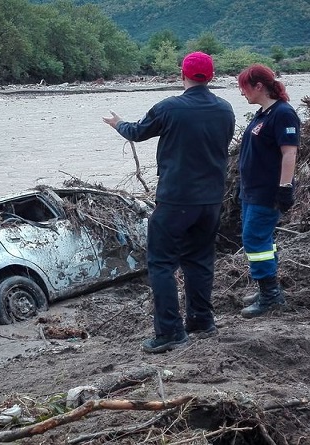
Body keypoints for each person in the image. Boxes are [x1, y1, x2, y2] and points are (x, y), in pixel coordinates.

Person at [102, 52, 236, 353]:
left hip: (176, 199)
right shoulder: (225, 109)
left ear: (182, 75)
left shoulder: (170, 108)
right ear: (211, 77)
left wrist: (117, 123)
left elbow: (137, 132)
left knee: (161, 263)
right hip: (212, 199)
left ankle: (169, 331)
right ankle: (201, 320)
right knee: (199, 260)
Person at [235, 63, 300, 318]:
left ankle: (270, 295)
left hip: (267, 191)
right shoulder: (263, 113)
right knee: (262, 241)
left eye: (244, 87)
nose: (242, 93)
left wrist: (284, 187)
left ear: (259, 86)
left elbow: (289, 152)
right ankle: (268, 288)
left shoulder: (283, 113)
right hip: (251, 190)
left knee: (255, 239)